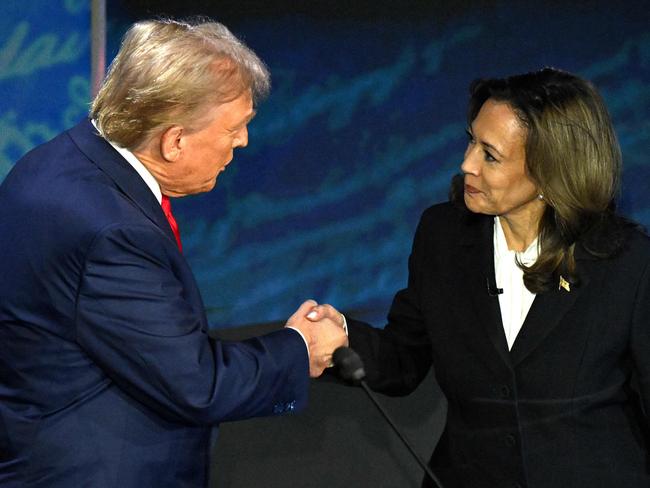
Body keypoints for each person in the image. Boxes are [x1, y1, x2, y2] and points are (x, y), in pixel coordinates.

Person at [0, 18, 347, 488]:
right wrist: (300, 347)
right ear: (174, 140)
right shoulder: (112, 231)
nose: (242, 142)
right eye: (236, 128)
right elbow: (197, 385)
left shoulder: (57, 161)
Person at [310, 68, 650, 487]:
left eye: (490, 154)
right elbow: (403, 360)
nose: (466, 163)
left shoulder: (626, 261)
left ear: (549, 170)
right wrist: (342, 338)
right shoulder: (443, 236)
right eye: (471, 140)